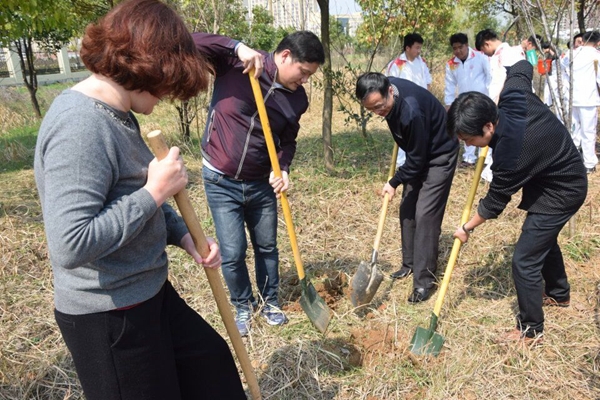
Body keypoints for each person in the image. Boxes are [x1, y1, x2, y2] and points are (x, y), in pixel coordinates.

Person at [33, 1, 246, 399]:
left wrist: (183, 235)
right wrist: (154, 192)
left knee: (211, 366)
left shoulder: (119, 113)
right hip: (110, 315)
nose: (168, 96)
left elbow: (131, 194)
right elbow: (70, 244)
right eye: (170, 82)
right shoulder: (80, 125)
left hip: (150, 292)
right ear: (151, 66)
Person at [192, 31, 325, 336]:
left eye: (310, 75)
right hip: (220, 179)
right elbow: (188, 41)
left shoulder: (297, 98)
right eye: (303, 72)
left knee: (267, 247)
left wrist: (284, 167)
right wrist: (236, 47)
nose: (305, 80)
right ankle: (243, 305)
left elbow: (288, 140)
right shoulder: (237, 65)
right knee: (233, 251)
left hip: (262, 183)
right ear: (285, 56)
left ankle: (270, 302)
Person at [447, 60, 587, 345]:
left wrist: (466, 227)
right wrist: (504, 86)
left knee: (524, 260)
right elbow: (521, 66)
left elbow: (493, 204)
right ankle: (558, 294)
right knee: (542, 240)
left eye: (470, 139)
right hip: (550, 175)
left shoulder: (510, 154)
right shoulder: (514, 95)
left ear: (488, 125)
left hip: (564, 189)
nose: (468, 145)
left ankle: (531, 330)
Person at [355, 72, 459, 303]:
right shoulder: (386, 88)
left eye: (380, 106)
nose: (378, 112)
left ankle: (424, 282)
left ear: (390, 91)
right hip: (418, 151)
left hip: (439, 155)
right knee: (408, 208)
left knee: (426, 215)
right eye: (371, 109)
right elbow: (415, 157)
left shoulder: (411, 111)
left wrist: (394, 182)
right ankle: (409, 263)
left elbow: (417, 161)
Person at [475, 28, 526, 182]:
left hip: (506, 103)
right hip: (502, 103)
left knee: (499, 137)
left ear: (486, 43)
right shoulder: (503, 54)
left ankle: (494, 173)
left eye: (483, 50)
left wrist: (495, 104)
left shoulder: (507, 54)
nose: (485, 54)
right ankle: (491, 171)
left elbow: (504, 81)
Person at [444, 32, 491, 169]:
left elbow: (490, 75)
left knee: (484, 128)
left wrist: (491, 95)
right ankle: (469, 158)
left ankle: (486, 159)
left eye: (461, 47)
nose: (458, 51)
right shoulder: (451, 64)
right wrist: (449, 103)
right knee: (466, 127)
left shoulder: (480, 56)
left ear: (466, 45)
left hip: (483, 99)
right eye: (455, 48)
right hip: (465, 101)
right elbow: (450, 85)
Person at [385, 33, 433, 168]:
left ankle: (420, 160)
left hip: (421, 104)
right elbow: (389, 86)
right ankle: (401, 163)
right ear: (407, 48)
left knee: (421, 133)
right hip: (403, 106)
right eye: (417, 48)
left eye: (420, 48)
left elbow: (428, 81)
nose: (419, 51)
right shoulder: (396, 64)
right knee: (404, 134)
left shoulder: (422, 62)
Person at [563, 30, 600, 173]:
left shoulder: (571, 53)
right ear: (598, 43)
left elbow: (564, 72)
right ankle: (589, 162)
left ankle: (573, 159)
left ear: (583, 40)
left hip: (571, 97)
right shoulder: (596, 55)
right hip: (588, 98)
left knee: (574, 130)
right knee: (588, 132)